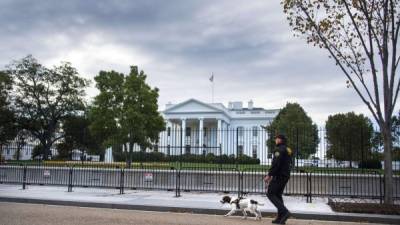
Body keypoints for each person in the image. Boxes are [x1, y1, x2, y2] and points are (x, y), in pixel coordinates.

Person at [264, 134, 292, 224]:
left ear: (280, 140)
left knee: (270, 193)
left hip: (279, 176)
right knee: (278, 195)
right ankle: (280, 218)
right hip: (285, 175)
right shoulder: (288, 149)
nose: (275, 140)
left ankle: (285, 212)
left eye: (276, 139)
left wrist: (269, 175)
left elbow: (276, 163)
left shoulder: (278, 150)